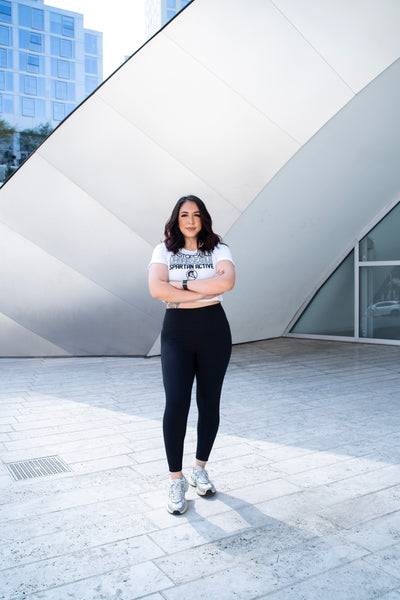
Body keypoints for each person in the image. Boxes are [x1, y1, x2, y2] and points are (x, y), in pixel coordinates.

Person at [148, 195, 235, 514]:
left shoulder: (219, 249)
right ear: (176, 218)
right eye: (184, 214)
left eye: (196, 214)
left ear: (203, 219)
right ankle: (176, 479)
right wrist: (203, 286)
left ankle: (200, 469)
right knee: (176, 402)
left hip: (214, 330)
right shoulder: (163, 250)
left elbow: (228, 282)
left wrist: (179, 285)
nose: (190, 219)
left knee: (209, 401)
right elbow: (156, 289)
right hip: (176, 332)